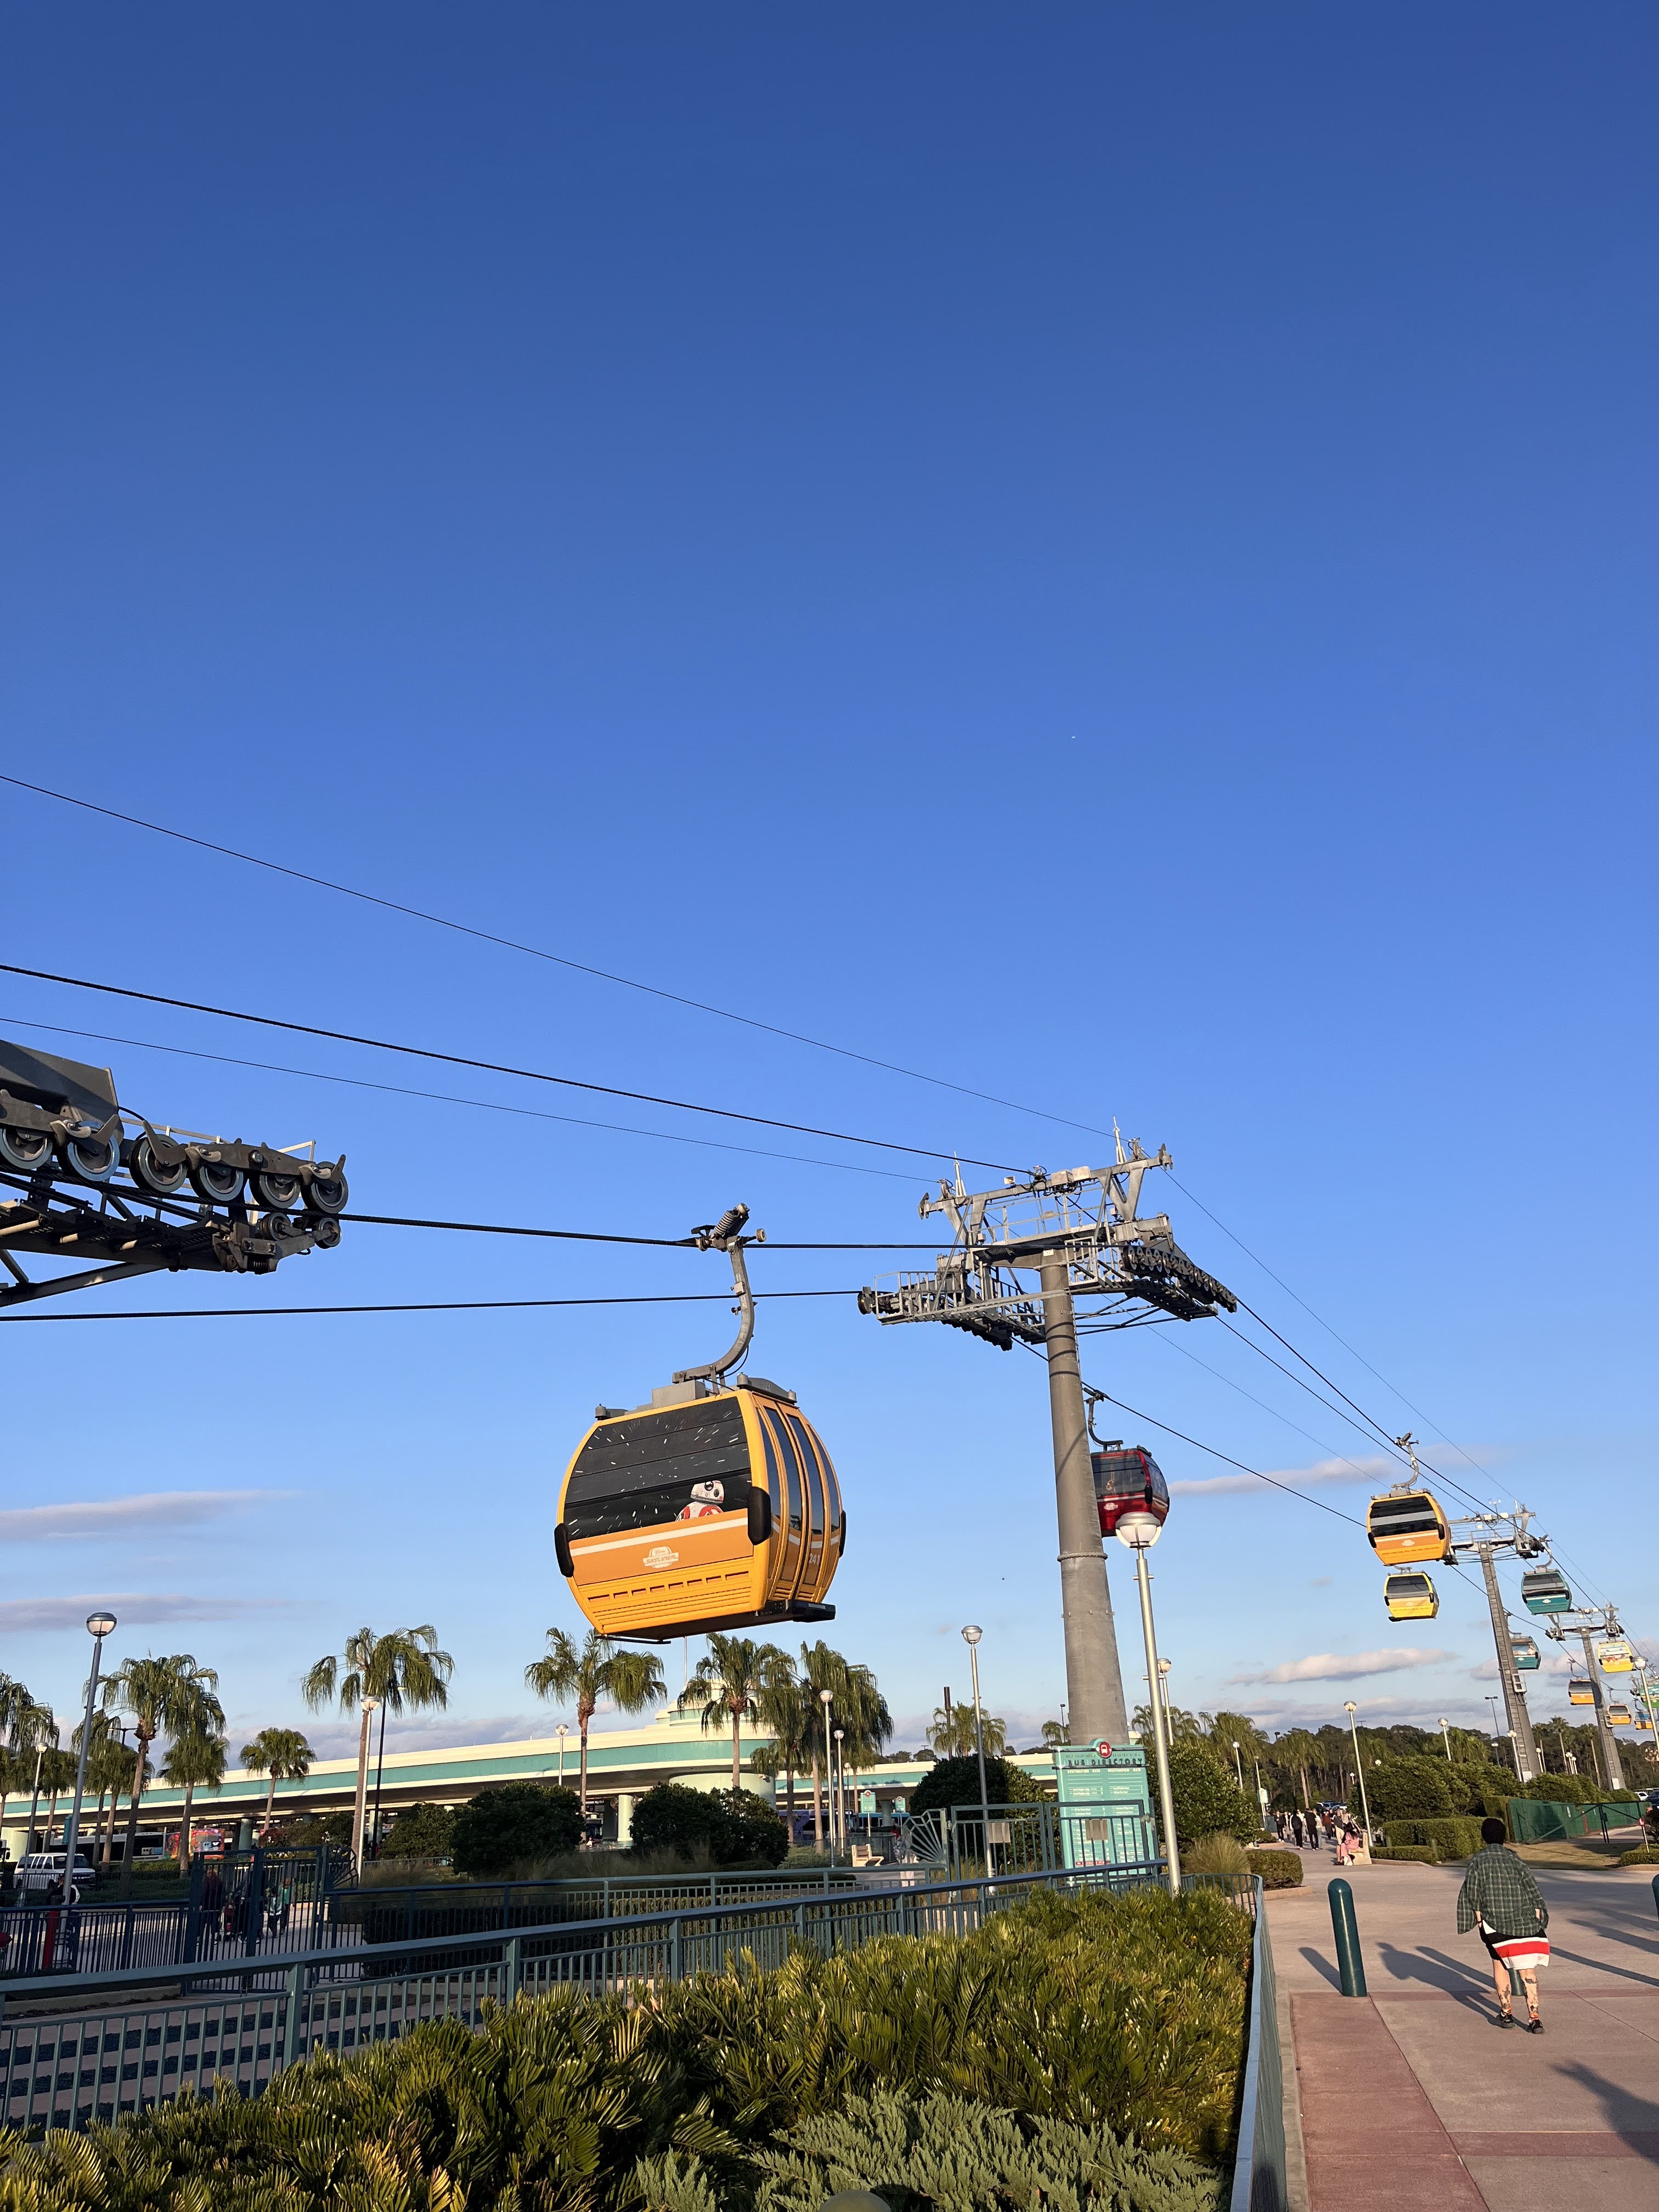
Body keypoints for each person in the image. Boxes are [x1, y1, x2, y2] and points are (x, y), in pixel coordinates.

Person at [1457, 1817, 1549, 2033]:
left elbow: (1473, 1893)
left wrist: (1478, 1919)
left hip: (1495, 1925)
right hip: (1525, 1923)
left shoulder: (1478, 1861)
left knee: (1500, 1966)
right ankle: (1534, 2019)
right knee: (1528, 1971)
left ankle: (1506, 2014)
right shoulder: (1515, 1860)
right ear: (1504, 1836)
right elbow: (1532, 1888)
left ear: (1484, 1837)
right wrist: (1538, 1914)